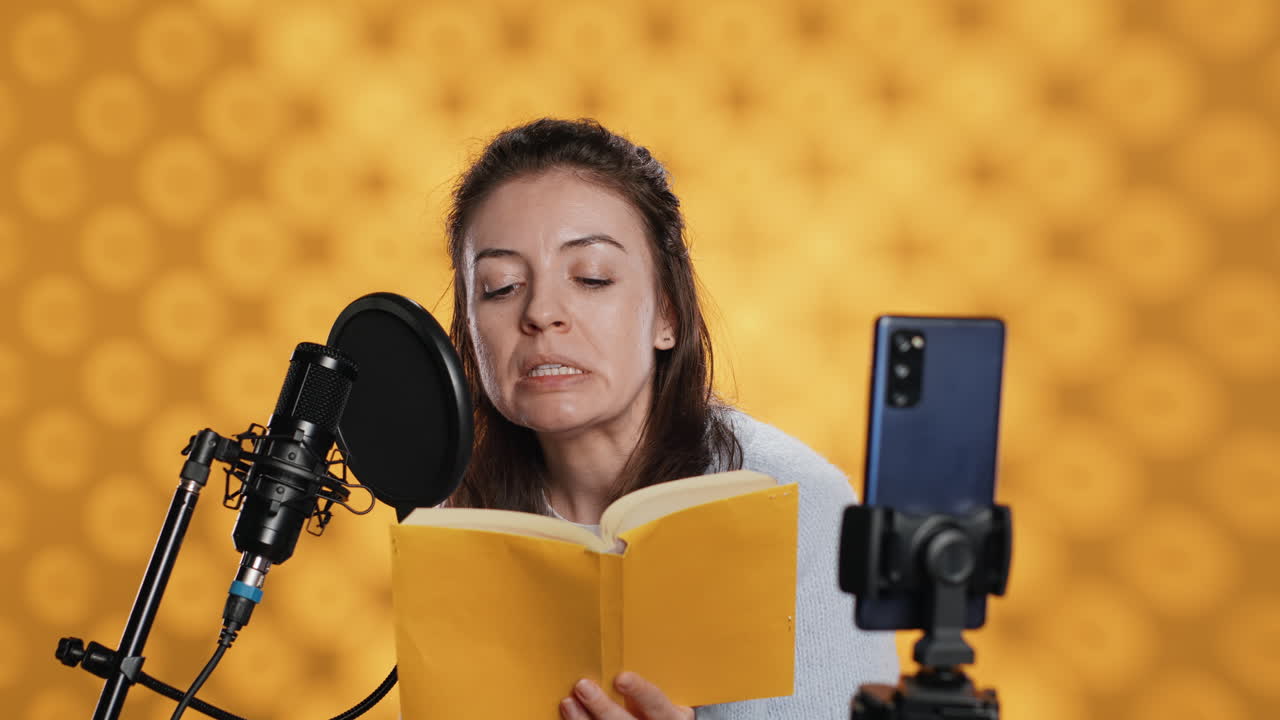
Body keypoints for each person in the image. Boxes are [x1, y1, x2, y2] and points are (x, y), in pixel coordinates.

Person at [442, 118, 899, 719]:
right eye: (499, 287)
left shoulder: (801, 508)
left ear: (669, 316)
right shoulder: (459, 519)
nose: (542, 313)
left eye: (591, 278)